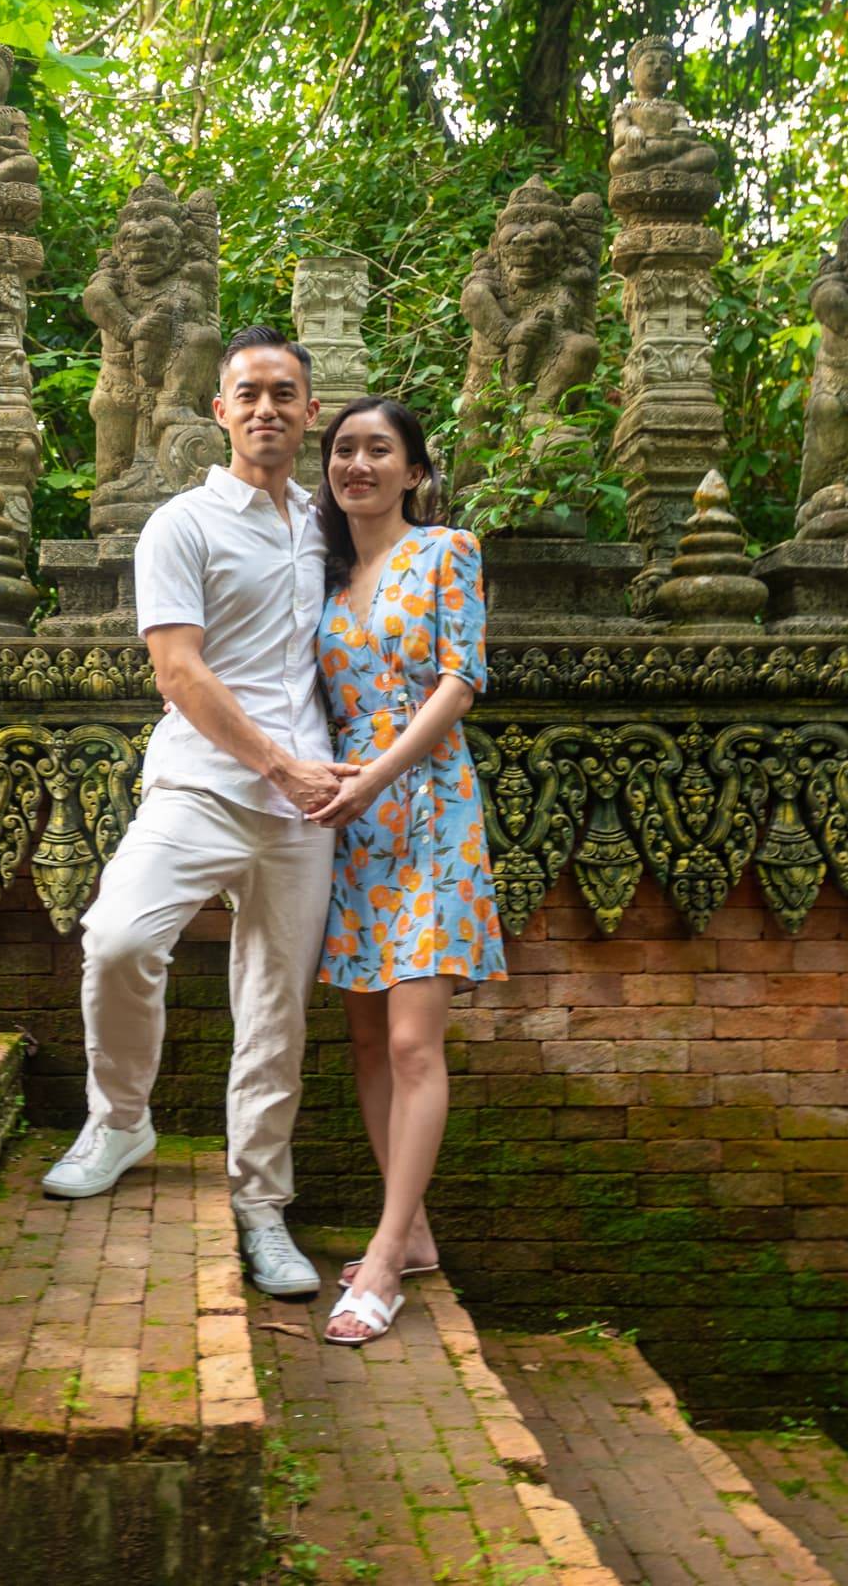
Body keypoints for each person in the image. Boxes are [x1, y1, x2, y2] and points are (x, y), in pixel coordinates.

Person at [41, 324, 346, 1302]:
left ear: (309, 412)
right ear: (220, 411)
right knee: (119, 938)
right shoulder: (182, 524)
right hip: (202, 787)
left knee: (275, 1008)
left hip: (306, 812)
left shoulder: (331, 530)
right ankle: (120, 1121)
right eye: (248, 393)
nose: (266, 408)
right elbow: (178, 669)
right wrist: (277, 765)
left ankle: (263, 1204)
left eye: (284, 393)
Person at [307, 396, 507, 1346]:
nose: (358, 463)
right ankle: (412, 1226)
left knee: (413, 1043)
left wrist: (377, 777)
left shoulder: (445, 551)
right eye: (343, 449)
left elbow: (460, 681)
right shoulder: (325, 578)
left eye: (378, 449)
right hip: (349, 821)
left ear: (413, 471)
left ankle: (384, 1261)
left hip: (427, 808)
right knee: (365, 1040)